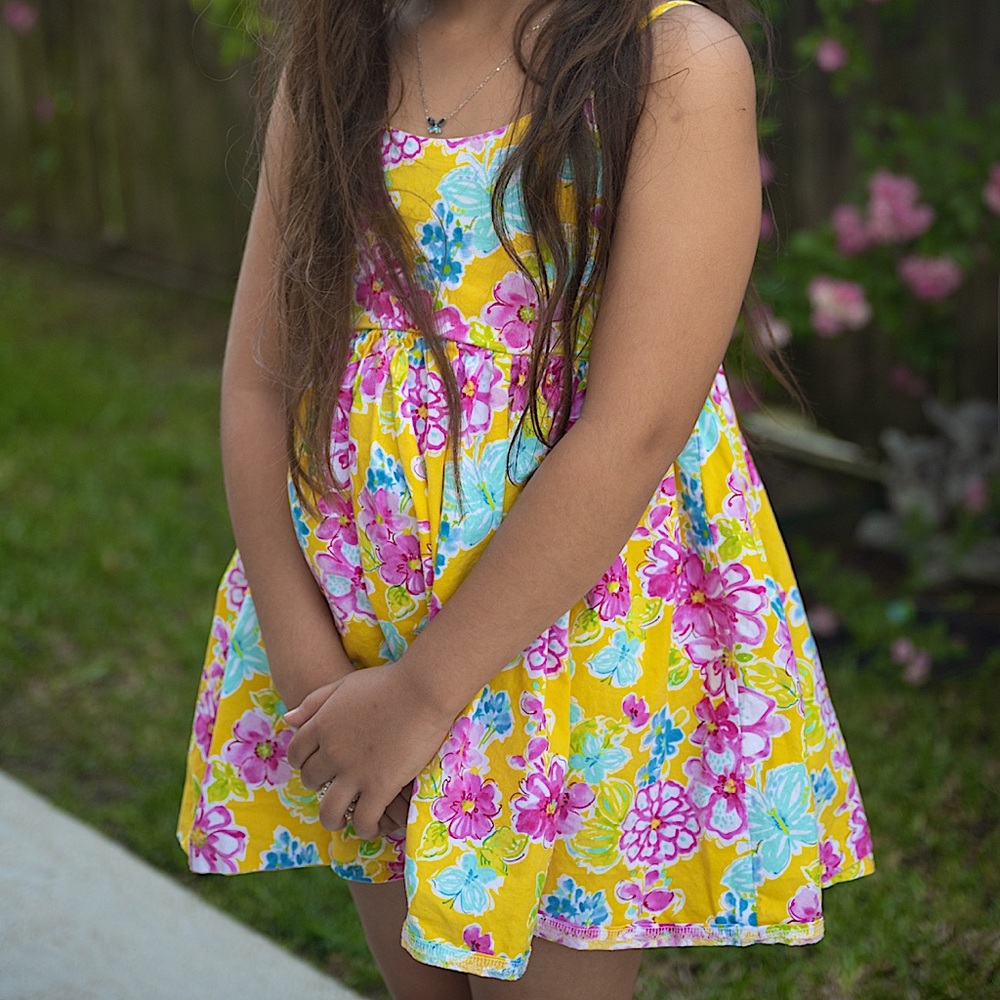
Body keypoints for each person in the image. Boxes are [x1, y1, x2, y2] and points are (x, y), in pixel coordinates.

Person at [177, 1, 874, 997]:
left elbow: (635, 429)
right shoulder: (340, 57)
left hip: (568, 644)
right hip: (364, 620)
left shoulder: (669, 60)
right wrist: (309, 671)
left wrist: (423, 696)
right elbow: (259, 383)